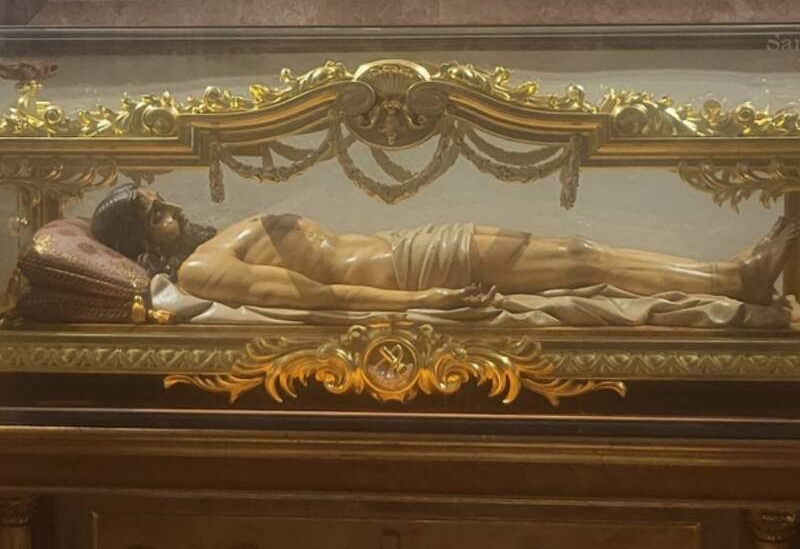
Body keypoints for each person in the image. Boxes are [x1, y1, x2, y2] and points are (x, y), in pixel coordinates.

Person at [89, 183, 799, 320]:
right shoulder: (201, 269)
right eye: (153, 215)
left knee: (580, 256)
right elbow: (324, 299)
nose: (169, 210)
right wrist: (418, 301)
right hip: (413, 268)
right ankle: (733, 279)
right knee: (582, 260)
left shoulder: (210, 244)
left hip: (410, 249)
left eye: (160, 200)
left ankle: (730, 276)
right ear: (138, 241)